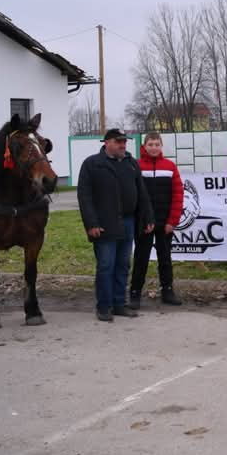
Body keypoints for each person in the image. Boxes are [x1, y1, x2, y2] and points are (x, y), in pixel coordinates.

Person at [77, 128, 154, 322]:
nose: (123, 145)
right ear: (107, 143)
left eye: (124, 142)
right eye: (118, 142)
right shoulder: (92, 164)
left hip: (128, 222)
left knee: (123, 265)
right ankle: (104, 306)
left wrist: (147, 217)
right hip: (104, 224)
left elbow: (142, 193)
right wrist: (91, 223)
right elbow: (84, 197)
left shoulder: (131, 164)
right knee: (106, 265)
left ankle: (119, 303)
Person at [129, 132, 183, 308]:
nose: (153, 147)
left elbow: (178, 194)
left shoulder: (170, 166)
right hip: (145, 223)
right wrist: (140, 220)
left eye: (156, 144)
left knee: (165, 258)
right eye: (150, 144)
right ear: (144, 146)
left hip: (165, 222)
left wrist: (172, 221)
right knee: (141, 258)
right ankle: (135, 293)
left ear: (161, 146)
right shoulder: (136, 166)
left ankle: (167, 291)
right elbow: (133, 195)